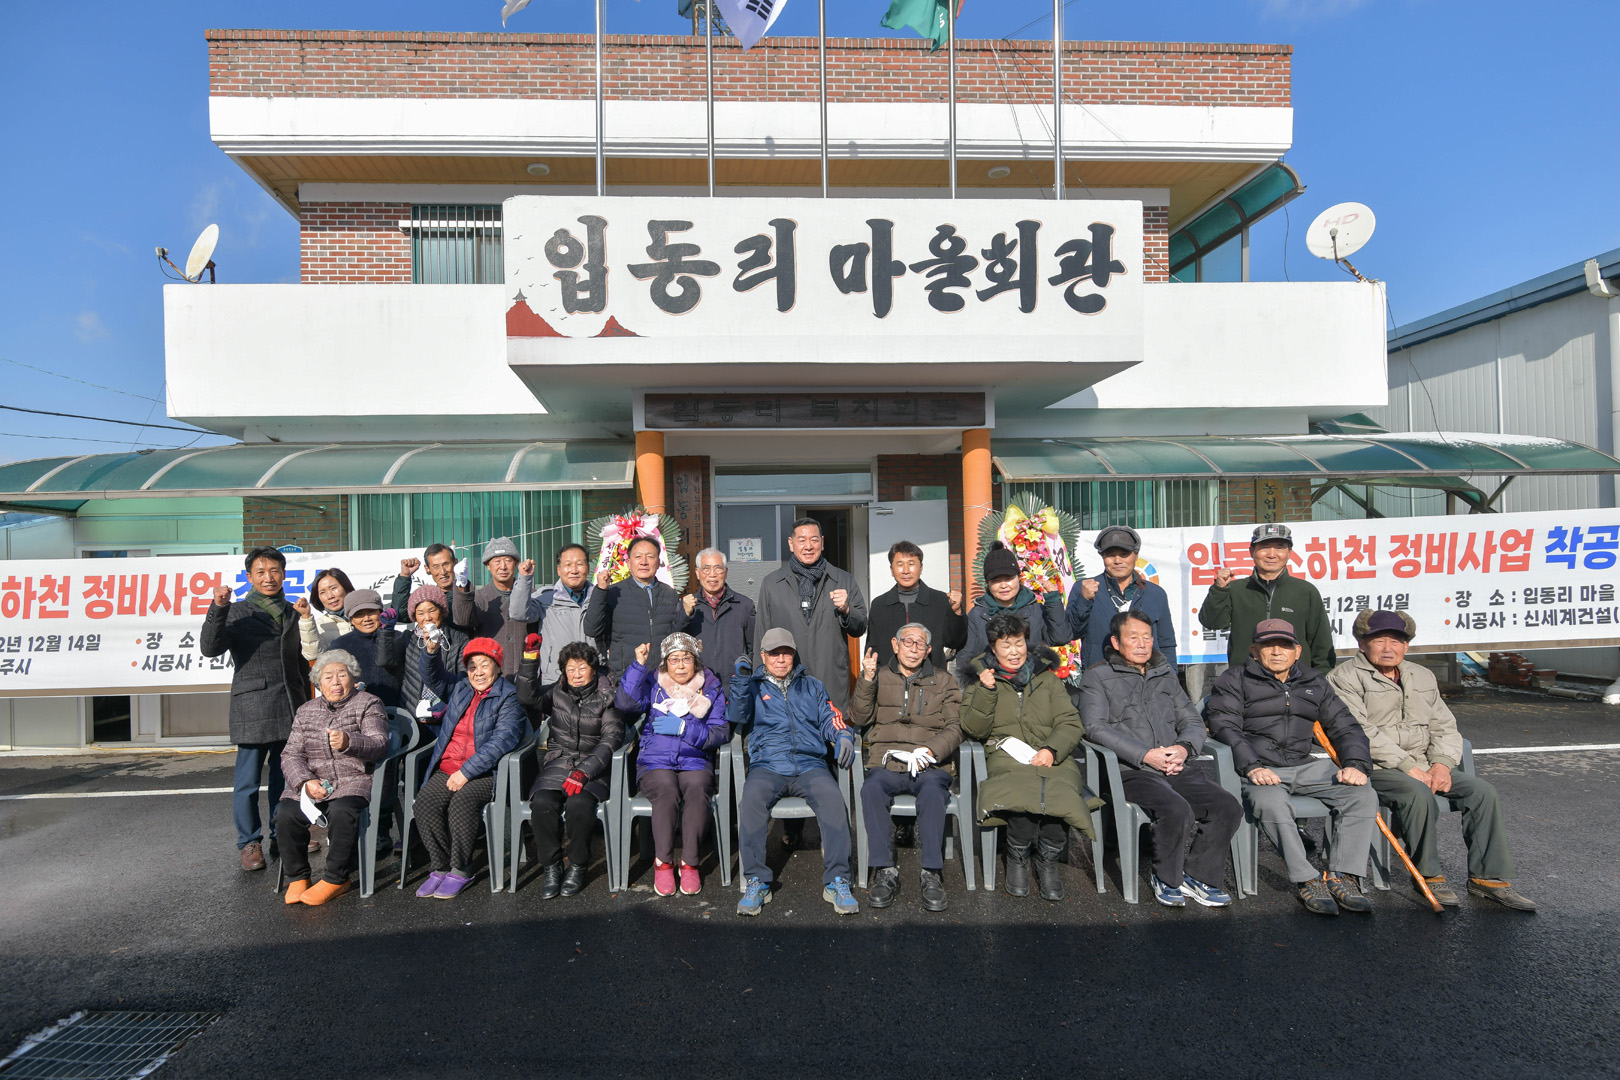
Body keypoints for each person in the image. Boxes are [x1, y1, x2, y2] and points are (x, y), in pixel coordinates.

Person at [1327, 609, 1536, 911]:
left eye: (1396, 641)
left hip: (1424, 763)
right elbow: (1359, 732)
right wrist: (1408, 767)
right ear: (1362, 643)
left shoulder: (1421, 675)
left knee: (1482, 792)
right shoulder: (1343, 678)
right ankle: (1428, 874)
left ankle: (1488, 878)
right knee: (1417, 792)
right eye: (1380, 641)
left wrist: (1441, 764)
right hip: (1373, 766)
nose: (1388, 648)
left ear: (1406, 645)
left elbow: (1444, 726)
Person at [1205, 619, 1376, 916]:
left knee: (1361, 794)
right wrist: (1252, 766)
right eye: (1268, 645)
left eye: (1284, 645)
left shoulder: (1314, 682)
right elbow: (1224, 727)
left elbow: (1345, 726)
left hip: (1304, 764)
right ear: (1254, 650)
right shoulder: (1234, 679)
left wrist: (1356, 764)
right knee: (1270, 802)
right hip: (1259, 767)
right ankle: (1307, 878)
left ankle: (1343, 876)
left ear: (1297, 651)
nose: (1276, 651)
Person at [1080, 610, 1239, 908]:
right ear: (1116, 642)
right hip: (1129, 770)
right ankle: (1166, 878)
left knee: (1226, 806)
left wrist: (1183, 749)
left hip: (1173, 765)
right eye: (1133, 638)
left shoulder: (1164, 673)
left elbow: (1191, 720)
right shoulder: (1097, 677)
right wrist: (1145, 755)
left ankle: (1198, 876)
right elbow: (1094, 727)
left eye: (1147, 637)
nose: (1142, 644)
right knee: (1176, 809)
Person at [961, 613, 1094, 902]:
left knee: (1062, 790)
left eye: (1019, 643)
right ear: (993, 648)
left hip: (1049, 752)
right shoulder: (980, 678)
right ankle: (1017, 857)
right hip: (1005, 753)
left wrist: (1052, 750)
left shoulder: (1046, 678)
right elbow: (974, 728)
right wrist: (986, 691)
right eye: (1005, 645)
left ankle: (1047, 859)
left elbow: (1070, 722)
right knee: (1019, 789)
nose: (1014, 652)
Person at [729, 628, 860, 917]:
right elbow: (736, 715)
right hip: (768, 765)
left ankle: (838, 880)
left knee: (833, 801)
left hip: (810, 764)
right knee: (751, 801)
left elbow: (831, 717)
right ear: (763, 656)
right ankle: (756, 881)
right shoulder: (753, 687)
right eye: (773, 653)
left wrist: (843, 735)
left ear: (794, 654)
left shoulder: (812, 686)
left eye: (786, 653)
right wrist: (740, 681)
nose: (780, 659)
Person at [200, 546, 313, 872]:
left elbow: (302, 660)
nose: (269, 577)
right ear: (249, 577)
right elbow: (210, 648)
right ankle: (249, 842)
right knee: (247, 783)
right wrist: (218, 606)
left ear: (284, 574)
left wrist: (307, 703)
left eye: (274, 570)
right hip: (252, 705)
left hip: (290, 704)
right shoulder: (237, 611)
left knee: (286, 778)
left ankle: (282, 834)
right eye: (261, 572)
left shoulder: (293, 611)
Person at [850, 622, 962, 912]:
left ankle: (931, 872)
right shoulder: (879, 675)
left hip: (928, 763)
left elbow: (955, 726)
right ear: (895, 645)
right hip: (888, 762)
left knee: (933, 794)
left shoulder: (944, 681)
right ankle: (885, 870)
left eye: (920, 644)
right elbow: (859, 717)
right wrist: (867, 679)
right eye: (907, 642)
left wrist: (932, 750)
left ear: (928, 650)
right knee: (871, 790)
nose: (913, 649)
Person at [412, 635, 527, 899]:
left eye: (485, 665)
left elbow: (502, 742)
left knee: (461, 803)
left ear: (497, 667)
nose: (478, 672)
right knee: (424, 804)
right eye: (472, 666)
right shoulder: (461, 687)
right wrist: (431, 651)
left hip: (487, 772)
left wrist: (466, 772)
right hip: (449, 767)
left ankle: (461, 868)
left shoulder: (509, 696)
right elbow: (433, 677)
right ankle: (440, 866)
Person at [614, 633, 729, 896]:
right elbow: (625, 702)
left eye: (686, 659)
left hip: (695, 760)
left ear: (695, 661)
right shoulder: (653, 683)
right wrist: (638, 666)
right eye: (674, 659)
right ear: (665, 662)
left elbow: (720, 732)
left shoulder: (710, 687)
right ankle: (663, 863)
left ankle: (690, 863)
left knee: (698, 788)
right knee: (666, 790)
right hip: (655, 761)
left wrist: (684, 729)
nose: (680, 665)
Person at [275, 649, 390, 906]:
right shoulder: (306, 710)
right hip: (313, 782)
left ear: (353, 677)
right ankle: (298, 878)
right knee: (285, 814)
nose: (335, 682)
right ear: (319, 683)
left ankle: (336, 879)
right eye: (328, 677)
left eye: (342, 675)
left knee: (341, 811)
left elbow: (380, 743)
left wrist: (350, 742)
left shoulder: (369, 703)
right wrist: (305, 782)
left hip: (353, 780)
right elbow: (290, 754)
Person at [514, 638, 627, 898]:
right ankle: (552, 866)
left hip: (594, 769)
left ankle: (577, 865)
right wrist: (530, 658)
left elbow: (611, 740)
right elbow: (527, 697)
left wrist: (584, 772)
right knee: (542, 802)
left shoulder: (608, 697)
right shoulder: (558, 692)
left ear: (593, 669)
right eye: (570, 669)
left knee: (578, 805)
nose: (576, 674)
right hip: (559, 763)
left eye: (582, 667)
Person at [752, 517, 868, 713]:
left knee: (830, 729)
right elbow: (761, 636)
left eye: (814, 540)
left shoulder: (842, 580)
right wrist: (759, 684)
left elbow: (860, 627)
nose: (808, 546)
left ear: (822, 542)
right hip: (785, 683)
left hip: (830, 680)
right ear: (791, 544)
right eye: (802, 540)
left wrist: (847, 610)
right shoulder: (772, 583)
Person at [1199, 523, 1335, 673]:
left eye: (1279, 548)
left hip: (1295, 681)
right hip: (1245, 679)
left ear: (1289, 553)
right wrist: (1219, 589)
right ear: (1252, 551)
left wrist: (1320, 680)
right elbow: (1212, 622)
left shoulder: (1305, 591)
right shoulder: (1236, 589)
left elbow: (1321, 645)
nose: (1271, 554)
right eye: (1264, 547)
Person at [959, 540, 1070, 686]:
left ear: (1019, 577)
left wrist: (1053, 602)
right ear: (987, 583)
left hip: (1033, 682)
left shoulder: (1035, 610)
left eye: (1009, 578)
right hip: (992, 685)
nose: (1003, 585)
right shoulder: (977, 614)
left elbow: (1060, 638)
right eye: (996, 580)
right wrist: (980, 679)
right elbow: (966, 655)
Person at [1066, 526, 1177, 672]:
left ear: (1136, 555)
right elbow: (1070, 633)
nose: (1117, 560)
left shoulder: (1155, 594)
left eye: (1124, 554)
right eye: (1110, 555)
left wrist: (1171, 679)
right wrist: (1084, 601)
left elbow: (1166, 643)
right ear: (1102, 557)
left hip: (1148, 679)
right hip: (1100, 678)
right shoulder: (1084, 589)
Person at [583, 535, 684, 677]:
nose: (644, 562)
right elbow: (592, 629)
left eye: (650, 556)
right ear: (629, 563)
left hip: (664, 676)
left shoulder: (670, 594)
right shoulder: (614, 593)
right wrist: (600, 591)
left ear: (658, 562)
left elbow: (676, 633)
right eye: (638, 557)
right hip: (627, 677)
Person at [866, 540, 966, 671]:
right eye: (900, 565)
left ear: (921, 568)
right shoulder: (879, 605)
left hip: (932, 678)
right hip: (890, 679)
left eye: (911, 564)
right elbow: (872, 649)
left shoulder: (940, 601)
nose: (906, 571)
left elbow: (955, 642)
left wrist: (957, 612)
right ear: (892, 570)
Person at [509, 543, 596, 688]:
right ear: (559, 570)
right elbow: (518, 613)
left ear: (587, 568)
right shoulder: (546, 598)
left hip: (594, 677)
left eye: (579, 564)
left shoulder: (599, 598)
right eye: (568, 565)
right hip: (556, 680)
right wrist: (524, 579)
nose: (574, 570)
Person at [451, 536, 534, 678]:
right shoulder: (480, 597)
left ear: (516, 563)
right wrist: (462, 585)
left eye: (508, 560)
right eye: (497, 561)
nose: (503, 566)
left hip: (527, 676)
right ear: (488, 565)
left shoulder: (531, 595)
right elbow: (462, 619)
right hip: (492, 678)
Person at [681, 547, 755, 676]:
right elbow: (675, 644)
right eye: (706, 568)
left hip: (735, 683)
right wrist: (684, 615)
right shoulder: (688, 606)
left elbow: (753, 647)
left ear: (726, 572)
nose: (712, 574)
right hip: (699, 682)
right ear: (697, 573)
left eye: (718, 568)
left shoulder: (744, 605)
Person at [397, 583, 467, 721]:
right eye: (421, 613)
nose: (427, 617)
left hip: (448, 716)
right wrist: (385, 632)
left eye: (432, 610)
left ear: (442, 611)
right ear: (414, 616)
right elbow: (386, 662)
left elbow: (464, 679)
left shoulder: (459, 639)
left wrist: (448, 704)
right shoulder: (407, 639)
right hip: (412, 716)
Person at [328, 589, 405, 710]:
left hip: (398, 712)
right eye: (359, 614)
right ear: (351, 619)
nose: (367, 618)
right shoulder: (340, 645)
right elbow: (321, 678)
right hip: (355, 712)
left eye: (371, 612)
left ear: (381, 612)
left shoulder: (399, 638)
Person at [391, 545, 470, 635]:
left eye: (446, 564)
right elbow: (401, 615)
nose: (443, 572)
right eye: (436, 567)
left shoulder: (471, 596)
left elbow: (465, 619)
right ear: (427, 569)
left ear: (455, 563)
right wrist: (405, 576)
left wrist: (462, 589)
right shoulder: (427, 598)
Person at [299, 567, 355, 661]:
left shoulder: (365, 616)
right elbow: (312, 655)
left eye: (333, 588)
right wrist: (306, 618)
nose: (330, 596)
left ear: (346, 587)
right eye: (322, 592)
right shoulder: (318, 625)